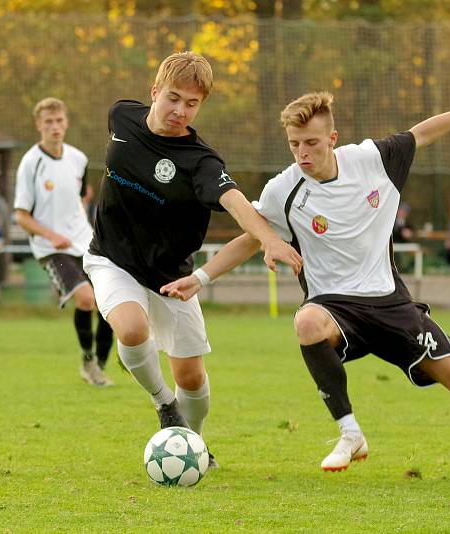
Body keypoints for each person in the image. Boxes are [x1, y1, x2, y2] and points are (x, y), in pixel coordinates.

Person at [160, 89, 450, 484]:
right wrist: (200, 278)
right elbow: (250, 238)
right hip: (335, 307)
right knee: (306, 322)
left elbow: (422, 133)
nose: (302, 153)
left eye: (312, 143)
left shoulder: (373, 160)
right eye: (294, 144)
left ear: (332, 139)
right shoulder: (284, 189)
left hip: (391, 304)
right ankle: (350, 433)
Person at [82, 51, 302, 467]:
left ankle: (192, 443)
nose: (179, 111)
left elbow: (236, 203)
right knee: (130, 329)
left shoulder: (200, 162)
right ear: (154, 92)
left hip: (172, 275)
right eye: (173, 98)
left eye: (192, 103)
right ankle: (164, 405)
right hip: (110, 258)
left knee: (193, 379)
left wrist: (269, 240)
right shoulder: (122, 116)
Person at [14, 97, 115, 386]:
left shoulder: (78, 159)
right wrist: (51, 234)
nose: (55, 127)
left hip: (84, 241)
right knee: (86, 299)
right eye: (48, 122)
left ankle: (99, 365)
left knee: (109, 300)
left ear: (66, 122)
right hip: (50, 248)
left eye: (59, 121)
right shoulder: (30, 164)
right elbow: (21, 216)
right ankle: (88, 361)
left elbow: (82, 196)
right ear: (39, 125)